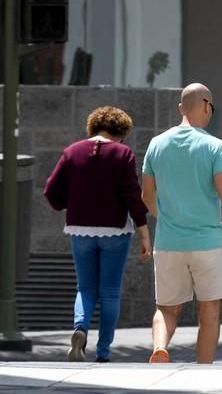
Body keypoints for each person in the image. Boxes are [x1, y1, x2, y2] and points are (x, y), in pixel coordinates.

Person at [141, 82, 222, 364]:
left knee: (167, 309)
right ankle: (203, 369)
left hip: (168, 243)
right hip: (208, 244)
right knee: (210, 312)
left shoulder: (156, 144)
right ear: (206, 105)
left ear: (182, 107)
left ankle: (160, 348)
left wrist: (167, 217)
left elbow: (146, 196)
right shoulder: (217, 147)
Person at [44, 106, 152, 363]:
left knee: (85, 288)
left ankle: (80, 329)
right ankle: (103, 351)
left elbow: (51, 190)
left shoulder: (72, 151)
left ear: (93, 127)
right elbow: (131, 195)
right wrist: (144, 233)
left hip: (79, 230)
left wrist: (69, 204)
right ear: (121, 131)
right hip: (115, 232)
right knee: (110, 292)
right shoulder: (123, 153)